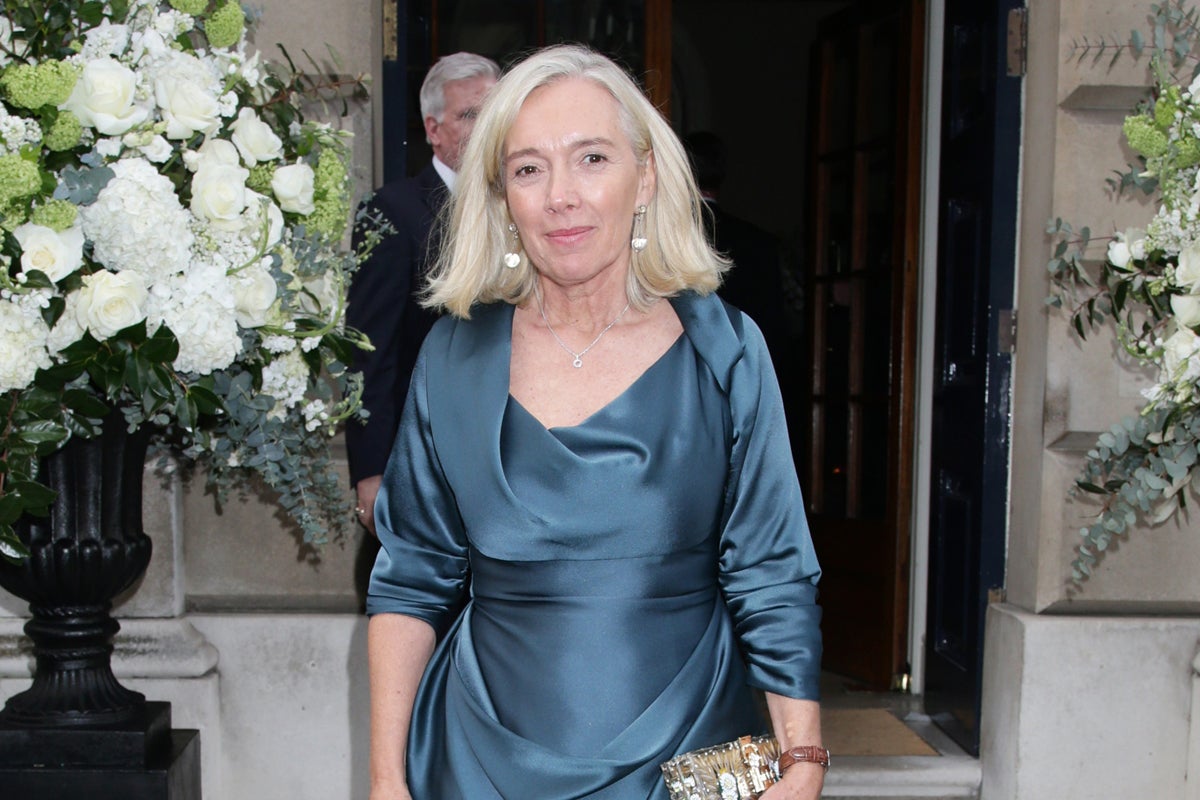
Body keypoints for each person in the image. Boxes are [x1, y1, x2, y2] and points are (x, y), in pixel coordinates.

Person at [367, 44, 825, 800]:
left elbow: (772, 572)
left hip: (693, 760)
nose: (560, 197)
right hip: (478, 761)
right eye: (528, 168)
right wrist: (387, 780)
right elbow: (410, 580)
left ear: (644, 176)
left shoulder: (725, 349)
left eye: (591, 159)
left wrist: (802, 762)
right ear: (502, 195)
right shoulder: (454, 355)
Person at [347, 52, 500, 536]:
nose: (485, 126)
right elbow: (369, 351)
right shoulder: (391, 210)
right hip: (423, 461)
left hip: (507, 460)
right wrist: (371, 471)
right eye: (469, 114)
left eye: (493, 111)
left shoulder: (527, 204)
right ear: (434, 130)